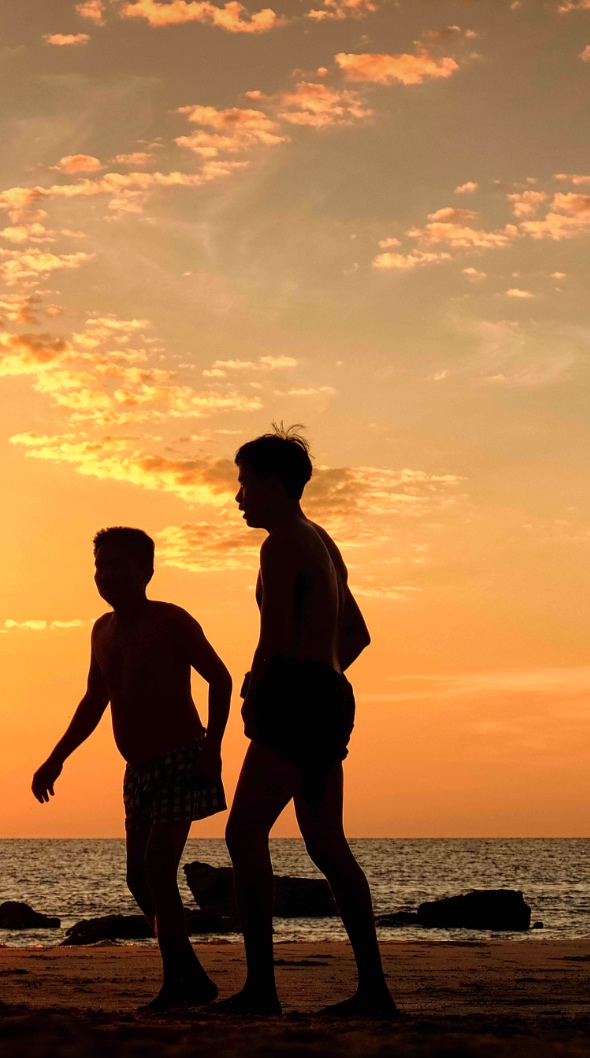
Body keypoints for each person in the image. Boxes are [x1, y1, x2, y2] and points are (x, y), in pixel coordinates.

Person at [215, 428, 395, 1018]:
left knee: (244, 834)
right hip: (328, 695)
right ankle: (373, 990)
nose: (238, 496)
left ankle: (262, 990)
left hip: (295, 697)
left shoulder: (283, 542)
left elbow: (273, 640)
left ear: (273, 483)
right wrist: (327, 674)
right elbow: (358, 635)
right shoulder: (322, 539)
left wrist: (255, 690)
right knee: (325, 842)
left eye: (244, 483)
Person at [31, 526, 232, 1011]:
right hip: (137, 770)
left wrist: (214, 749)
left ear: (146, 571)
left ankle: (175, 985)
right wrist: (55, 758)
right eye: (101, 566)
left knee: (157, 869)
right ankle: (192, 976)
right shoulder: (102, 630)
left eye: (120, 565)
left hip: (182, 758)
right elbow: (94, 701)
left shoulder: (170, 621)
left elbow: (221, 679)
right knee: (138, 879)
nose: (108, 575)